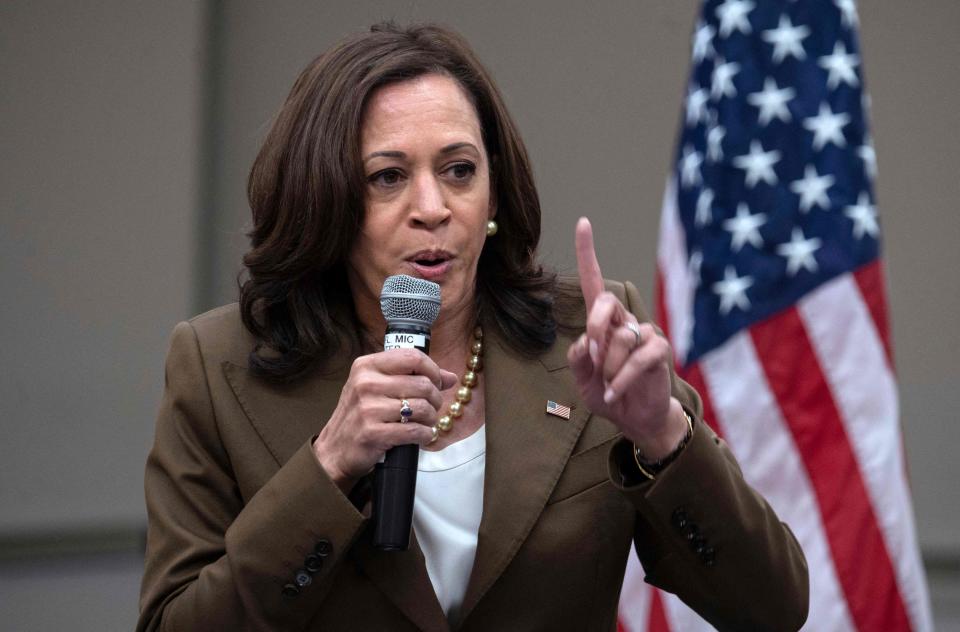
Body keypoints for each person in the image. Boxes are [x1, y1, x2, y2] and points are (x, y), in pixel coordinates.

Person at [137, 22, 808, 632]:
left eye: (459, 170)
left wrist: (661, 434)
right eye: (388, 177)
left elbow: (773, 608)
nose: (432, 208)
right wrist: (328, 467)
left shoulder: (590, 343)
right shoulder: (217, 367)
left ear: (493, 194)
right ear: (327, 201)